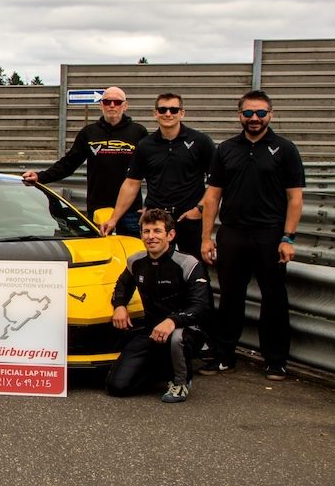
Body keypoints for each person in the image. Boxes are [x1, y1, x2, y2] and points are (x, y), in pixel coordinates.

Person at [200, 90, 304, 380]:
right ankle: (224, 356)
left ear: (270, 115)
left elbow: (295, 198)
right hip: (232, 234)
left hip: (270, 235)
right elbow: (212, 197)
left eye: (260, 113)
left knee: (274, 298)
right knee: (230, 298)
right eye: (248, 113)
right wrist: (206, 238)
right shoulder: (225, 149)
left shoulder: (285, 149)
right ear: (240, 116)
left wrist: (288, 238)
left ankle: (275, 361)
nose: (254, 118)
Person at [107, 209, 211, 402]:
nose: (151, 236)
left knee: (177, 338)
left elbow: (201, 307)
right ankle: (163, 369)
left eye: (157, 231)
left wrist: (173, 321)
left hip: (186, 329)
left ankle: (181, 382)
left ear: (170, 235)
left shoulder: (189, 263)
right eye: (146, 231)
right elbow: (122, 286)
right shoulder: (135, 261)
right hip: (151, 330)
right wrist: (119, 305)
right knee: (117, 386)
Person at [100, 93, 215, 257]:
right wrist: (113, 219)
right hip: (156, 219)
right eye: (162, 110)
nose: (168, 114)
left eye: (173, 110)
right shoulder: (145, 145)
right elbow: (131, 184)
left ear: (182, 113)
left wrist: (199, 209)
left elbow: (216, 184)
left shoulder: (201, 142)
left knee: (194, 267)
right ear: (155, 113)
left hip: (189, 219)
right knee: (155, 267)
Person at [22, 86, 147, 236]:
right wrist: (40, 176)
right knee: (100, 248)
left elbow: (151, 169)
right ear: (101, 105)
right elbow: (69, 163)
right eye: (107, 102)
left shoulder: (139, 132)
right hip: (98, 207)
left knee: (133, 249)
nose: (112, 105)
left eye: (117, 102)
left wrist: (150, 205)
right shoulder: (89, 133)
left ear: (125, 105)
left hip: (130, 210)